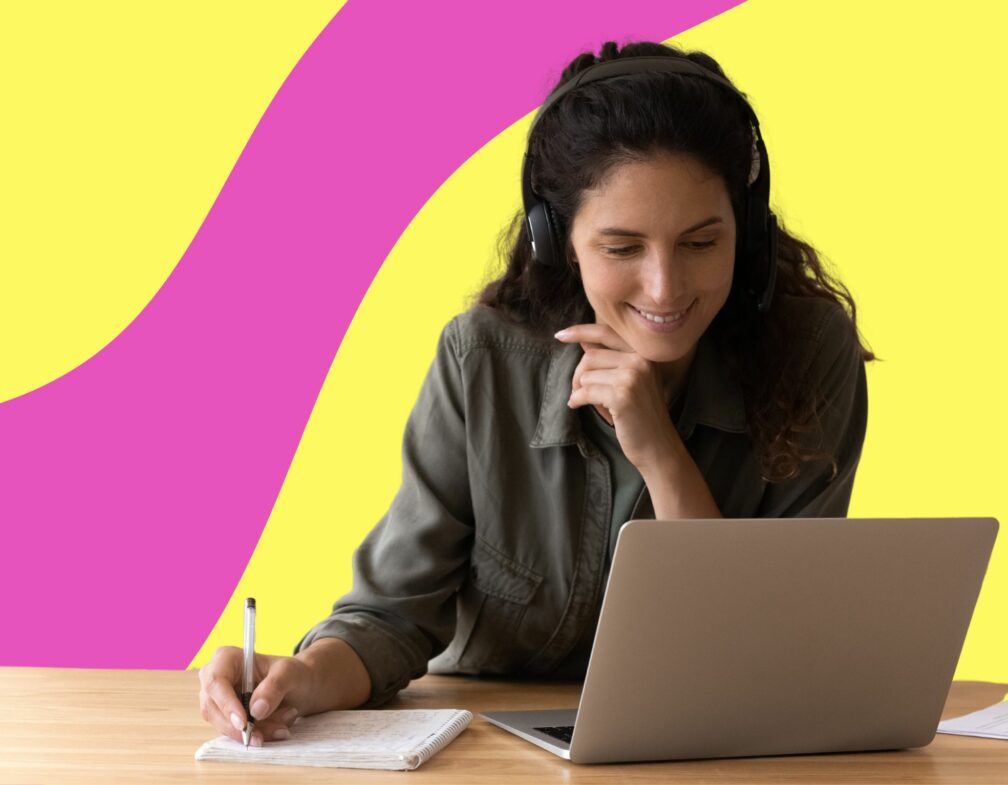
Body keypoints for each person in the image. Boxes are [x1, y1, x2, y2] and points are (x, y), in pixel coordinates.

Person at [198, 40, 872, 746]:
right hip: (492, 751)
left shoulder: (810, 357)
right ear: (559, 240)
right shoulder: (482, 360)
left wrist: (660, 453)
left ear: (749, 229)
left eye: (703, 242)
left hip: (710, 750)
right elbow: (393, 617)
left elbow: (758, 656)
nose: (665, 287)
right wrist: (299, 678)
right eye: (621, 249)